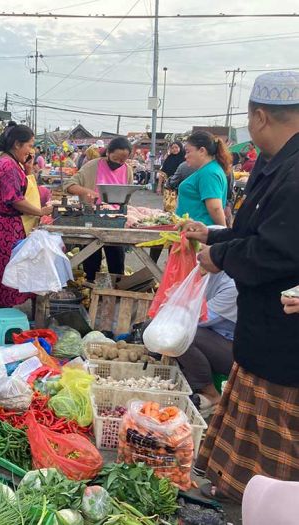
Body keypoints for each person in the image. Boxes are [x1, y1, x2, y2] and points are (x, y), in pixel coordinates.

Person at [183, 70, 299, 503]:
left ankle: (272, 505)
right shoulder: (279, 165)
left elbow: (276, 252)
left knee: (279, 452)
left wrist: (221, 257)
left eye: (248, 120)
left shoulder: (294, 173)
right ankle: (243, 495)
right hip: (264, 333)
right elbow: (254, 231)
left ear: (261, 116)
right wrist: (212, 236)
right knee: (253, 431)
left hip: (284, 340)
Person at [0, 122, 53, 307]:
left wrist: (28, 170)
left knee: (11, 272)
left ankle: (6, 312)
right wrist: (40, 211)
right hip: (5, 229)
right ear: (16, 144)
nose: (32, 151)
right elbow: (14, 199)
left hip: (7, 226)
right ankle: (5, 315)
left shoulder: (13, 163)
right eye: (29, 145)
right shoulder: (8, 165)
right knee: (8, 274)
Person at [64, 136, 133, 281]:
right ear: (107, 153)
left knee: (117, 264)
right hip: (92, 219)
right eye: (116, 159)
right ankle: (91, 292)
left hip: (116, 222)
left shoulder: (127, 170)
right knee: (91, 264)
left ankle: (114, 293)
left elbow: (127, 194)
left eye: (123, 160)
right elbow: (68, 185)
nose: (120, 163)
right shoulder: (92, 166)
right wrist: (85, 192)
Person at [177, 269, 237, 417]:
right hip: (211, 339)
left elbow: (196, 320)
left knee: (182, 335)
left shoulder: (232, 285)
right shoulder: (204, 274)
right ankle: (189, 384)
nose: (198, 257)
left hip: (234, 352)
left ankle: (212, 394)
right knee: (152, 328)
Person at [176, 131, 231, 226]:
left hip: (199, 234)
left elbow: (215, 208)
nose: (185, 156)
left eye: (188, 152)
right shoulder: (208, 170)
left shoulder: (209, 173)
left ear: (202, 151)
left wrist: (222, 233)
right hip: (192, 231)